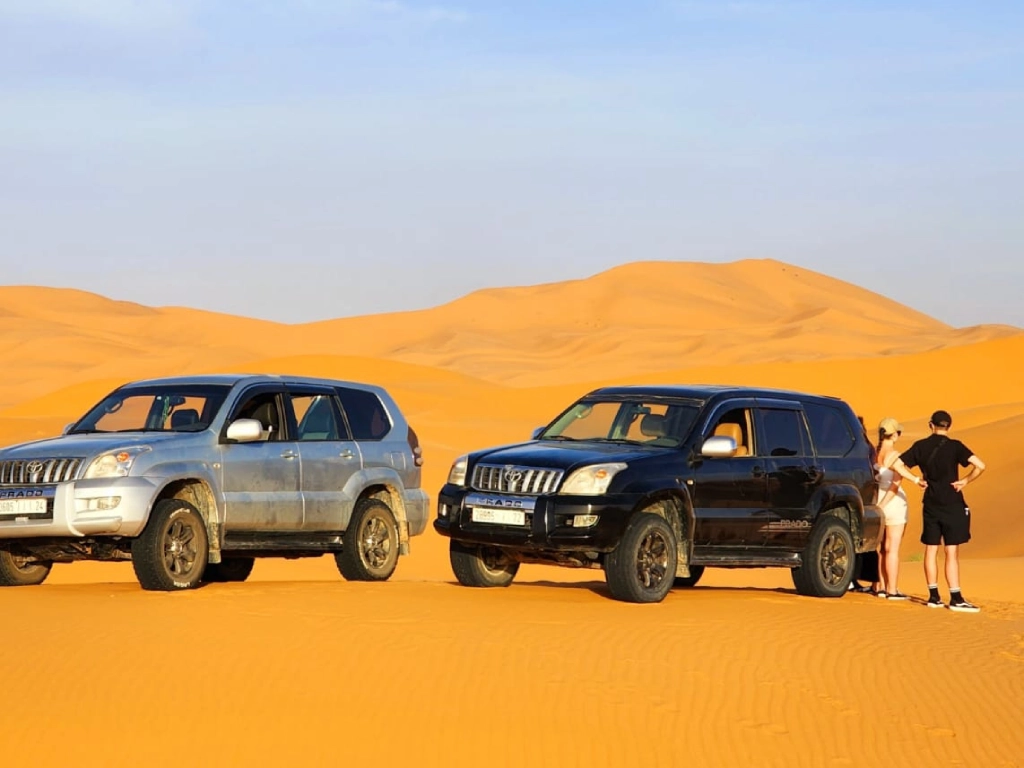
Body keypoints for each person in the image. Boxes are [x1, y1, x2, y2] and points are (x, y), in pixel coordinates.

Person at [889, 410, 986, 612]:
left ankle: (933, 596)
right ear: (948, 426)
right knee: (951, 551)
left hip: (931, 503)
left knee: (931, 549)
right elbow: (980, 465)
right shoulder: (955, 446)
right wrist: (966, 481)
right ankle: (956, 597)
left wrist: (915, 480)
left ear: (931, 425)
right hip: (952, 502)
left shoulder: (921, 446)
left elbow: (897, 464)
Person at [874, 418, 909, 600]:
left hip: (876, 503)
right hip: (893, 504)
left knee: (881, 547)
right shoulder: (895, 455)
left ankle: (879, 586)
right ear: (894, 434)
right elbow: (895, 484)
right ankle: (892, 590)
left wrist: (877, 506)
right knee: (892, 548)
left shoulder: (873, 454)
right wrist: (883, 505)